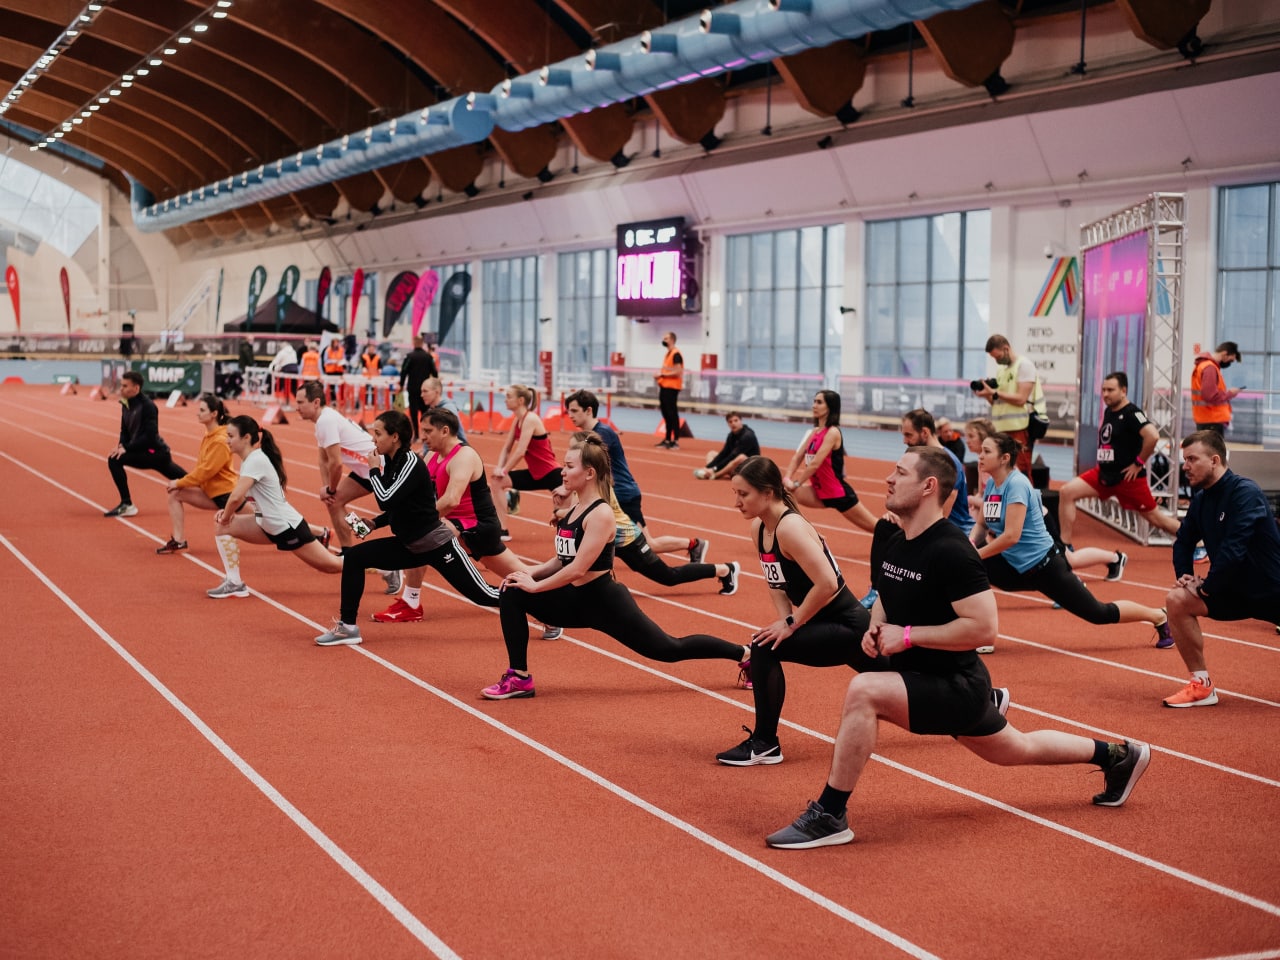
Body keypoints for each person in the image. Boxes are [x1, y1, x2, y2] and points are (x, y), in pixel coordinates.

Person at [763, 446, 1152, 850]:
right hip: (923, 676)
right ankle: (1117, 755)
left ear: (928, 486)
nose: (889, 479)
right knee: (1015, 748)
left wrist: (908, 636)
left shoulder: (951, 550)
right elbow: (884, 596)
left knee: (864, 691)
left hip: (955, 684)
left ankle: (830, 814)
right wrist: (876, 627)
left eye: (900, 472)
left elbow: (984, 629)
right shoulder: (894, 539)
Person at [480, 434, 749, 700]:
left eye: (569, 466)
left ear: (589, 473)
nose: (562, 472)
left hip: (604, 602)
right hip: (574, 600)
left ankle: (745, 654)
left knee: (669, 649)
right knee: (512, 591)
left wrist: (536, 586)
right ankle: (519, 678)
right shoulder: (574, 509)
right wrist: (527, 573)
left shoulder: (601, 514)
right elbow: (562, 559)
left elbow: (578, 568)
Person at [714, 456, 878, 766]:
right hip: (824, 622)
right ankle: (972, 695)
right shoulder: (759, 528)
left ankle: (765, 743)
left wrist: (791, 623)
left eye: (743, 494)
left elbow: (828, 583)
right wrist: (783, 620)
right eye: (735, 493)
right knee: (905, 680)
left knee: (763, 647)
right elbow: (776, 583)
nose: (737, 502)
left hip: (849, 625)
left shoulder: (789, 528)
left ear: (768, 493)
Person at [314, 410, 500, 646]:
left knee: (484, 595)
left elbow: (385, 499)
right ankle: (347, 627)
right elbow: (399, 507)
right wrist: (375, 523)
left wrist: (373, 469)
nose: (373, 439)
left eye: (378, 433)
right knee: (354, 557)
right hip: (410, 545)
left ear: (395, 437)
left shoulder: (410, 463)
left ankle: (539, 603)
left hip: (436, 544)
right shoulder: (394, 463)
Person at [972, 432, 1172, 650]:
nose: (980, 456)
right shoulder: (992, 485)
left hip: (1044, 567)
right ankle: (980, 634)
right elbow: (982, 525)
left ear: (1004, 458)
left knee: (1098, 613)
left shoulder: (1017, 485)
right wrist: (970, 544)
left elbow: (1012, 536)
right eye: (981, 451)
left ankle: (1158, 615)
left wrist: (976, 554)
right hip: (1015, 569)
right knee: (963, 567)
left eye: (986, 451)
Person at [1161, 430, 1280, 706]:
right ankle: (1201, 685)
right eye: (1184, 459)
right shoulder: (1202, 500)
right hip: (1233, 592)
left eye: (1192, 459)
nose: (1185, 466)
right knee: (1177, 600)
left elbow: (1234, 549)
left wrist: (1207, 589)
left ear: (1214, 460)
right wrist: (1184, 577)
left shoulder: (1245, 493)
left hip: (1272, 589)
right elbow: (1184, 541)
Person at [373, 407, 524, 624]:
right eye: (422, 431)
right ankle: (411, 602)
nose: (423, 436)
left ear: (444, 431)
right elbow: (416, 494)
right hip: (455, 524)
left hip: (477, 527)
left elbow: (452, 500)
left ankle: (549, 604)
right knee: (522, 575)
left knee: (422, 536)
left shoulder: (464, 456)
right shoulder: (432, 455)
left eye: (428, 431)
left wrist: (420, 521)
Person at [551, 432, 740, 602]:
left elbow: (588, 514)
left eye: (571, 462)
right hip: (609, 540)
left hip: (627, 540)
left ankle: (724, 569)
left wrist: (560, 513)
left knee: (668, 576)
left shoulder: (597, 487)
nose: (566, 466)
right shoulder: (582, 485)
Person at [565, 389, 709, 564]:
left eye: (574, 411)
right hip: (613, 493)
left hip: (623, 493)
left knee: (648, 543)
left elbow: (591, 468)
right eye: (568, 411)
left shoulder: (602, 433)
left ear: (588, 410)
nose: (570, 415)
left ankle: (693, 544)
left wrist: (567, 494)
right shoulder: (591, 435)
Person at [207, 415, 341, 598]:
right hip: (266, 524)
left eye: (231, 436)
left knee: (333, 566)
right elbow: (240, 496)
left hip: (287, 527)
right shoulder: (250, 460)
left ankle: (376, 565)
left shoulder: (255, 460)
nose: (226, 440)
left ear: (246, 437)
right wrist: (226, 515)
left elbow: (236, 497)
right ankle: (234, 582)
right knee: (223, 527)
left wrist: (226, 514)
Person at [294, 380, 401, 593]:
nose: (297, 407)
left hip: (377, 468)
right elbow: (323, 459)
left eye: (300, 402)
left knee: (400, 519)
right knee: (334, 503)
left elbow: (335, 463)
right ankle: (350, 549)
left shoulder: (326, 421)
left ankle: (380, 562)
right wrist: (327, 489)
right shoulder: (323, 420)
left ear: (315, 402)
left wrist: (330, 490)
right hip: (364, 470)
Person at [1056, 372, 1181, 549]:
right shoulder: (1109, 411)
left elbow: (1152, 436)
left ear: (1123, 391)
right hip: (1104, 475)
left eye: (1110, 390)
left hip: (1128, 479)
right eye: (1103, 390)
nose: (1105, 394)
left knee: (1157, 519)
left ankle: (1199, 541)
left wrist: (1138, 463)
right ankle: (1065, 545)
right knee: (1067, 492)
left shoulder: (1132, 413)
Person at [782, 390, 877, 533]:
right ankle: (797, 532)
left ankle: (903, 537)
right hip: (819, 492)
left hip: (838, 494)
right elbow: (798, 457)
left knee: (875, 527)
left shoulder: (833, 432)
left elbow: (815, 464)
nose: (814, 405)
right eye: (814, 401)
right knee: (784, 493)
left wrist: (796, 483)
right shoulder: (814, 432)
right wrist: (787, 478)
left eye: (819, 402)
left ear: (830, 407)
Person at [156, 394, 240, 554]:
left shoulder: (220, 440)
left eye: (202, 410)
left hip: (225, 495)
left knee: (264, 525)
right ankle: (179, 541)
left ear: (214, 414)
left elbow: (205, 472)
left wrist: (179, 482)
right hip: (212, 492)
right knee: (175, 494)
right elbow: (203, 470)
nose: (198, 413)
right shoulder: (210, 435)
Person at [104, 371, 187, 518]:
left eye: (125, 386)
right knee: (188, 479)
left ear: (136, 388)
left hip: (155, 453)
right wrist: (121, 446)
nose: (121, 389)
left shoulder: (148, 406)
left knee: (114, 460)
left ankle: (127, 504)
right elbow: (124, 431)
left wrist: (127, 448)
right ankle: (216, 492)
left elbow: (150, 437)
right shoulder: (126, 403)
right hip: (144, 452)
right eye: (121, 385)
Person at [489, 384, 562, 539]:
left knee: (566, 513)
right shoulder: (517, 420)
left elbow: (520, 451)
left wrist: (504, 470)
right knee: (497, 482)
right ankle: (502, 530)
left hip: (551, 473)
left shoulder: (531, 419)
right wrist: (499, 468)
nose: (505, 400)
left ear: (521, 400)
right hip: (535, 474)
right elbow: (507, 448)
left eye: (509, 396)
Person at [974, 334, 1043, 477]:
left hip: (1019, 428)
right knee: (1002, 472)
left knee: (1021, 471)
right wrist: (986, 394)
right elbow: (997, 401)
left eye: (998, 357)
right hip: (1001, 429)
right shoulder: (1001, 370)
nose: (997, 361)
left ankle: (1025, 493)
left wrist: (995, 392)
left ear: (1006, 348)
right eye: (994, 358)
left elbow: (1021, 399)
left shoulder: (1024, 365)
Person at [1191, 341, 1242, 437]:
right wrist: (1230, 393)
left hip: (1206, 418)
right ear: (1224, 354)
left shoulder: (1204, 366)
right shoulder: (1210, 368)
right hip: (1211, 420)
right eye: (1231, 360)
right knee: (1213, 446)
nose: (1230, 363)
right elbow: (1210, 396)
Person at [695, 412, 761, 480]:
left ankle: (715, 475)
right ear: (728, 424)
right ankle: (711, 471)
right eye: (730, 422)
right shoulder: (731, 435)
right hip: (735, 466)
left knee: (741, 457)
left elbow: (733, 456)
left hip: (751, 469)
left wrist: (715, 468)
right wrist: (708, 467)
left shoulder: (748, 436)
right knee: (711, 453)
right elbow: (724, 453)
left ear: (741, 421)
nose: (733, 423)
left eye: (736, 420)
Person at [400, 334, 438, 442]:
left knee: (413, 412)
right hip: (426, 389)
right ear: (422, 343)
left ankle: (416, 435)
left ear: (414, 343)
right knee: (425, 412)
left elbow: (404, 371)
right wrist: (435, 385)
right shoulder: (428, 357)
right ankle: (426, 434)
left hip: (413, 388)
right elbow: (434, 372)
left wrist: (401, 385)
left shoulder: (409, 357)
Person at [655, 330, 684, 449]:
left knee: (672, 413)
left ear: (672, 340)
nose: (664, 340)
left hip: (672, 388)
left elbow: (678, 371)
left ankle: (675, 440)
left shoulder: (676, 354)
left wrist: (662, 375)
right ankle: (667, 439)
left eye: (666, 338)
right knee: (666, 413)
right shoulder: (668, 354)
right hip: (664, 386)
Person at [420, 376, 467, 445]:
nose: (422, 395)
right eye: (421, 391)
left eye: (425, 391)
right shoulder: (431, 410)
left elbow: (452, 438)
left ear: (437, 392)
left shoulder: (448, 409)